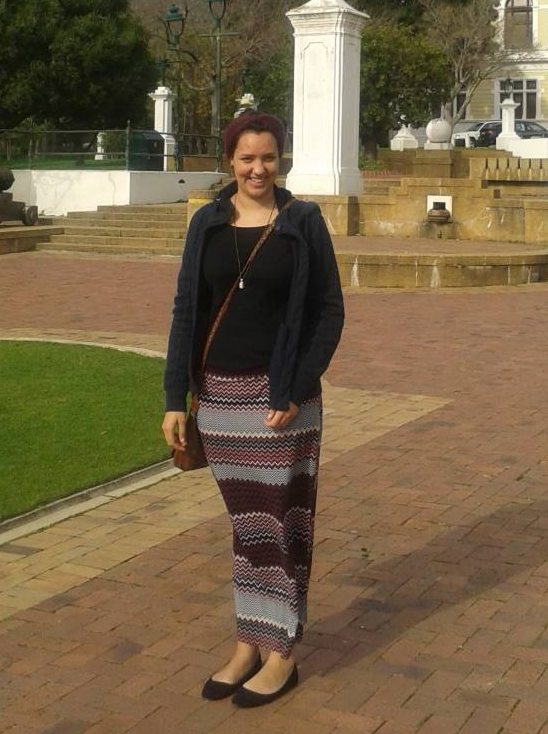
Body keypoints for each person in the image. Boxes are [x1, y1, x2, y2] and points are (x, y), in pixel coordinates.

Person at [162, 111, 344, 708]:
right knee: (248, 529)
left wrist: (295, 386)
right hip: (220, 401)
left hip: (281, 404)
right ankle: (248, 643)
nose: (258, 169)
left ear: (280, 159)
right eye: (246, 158)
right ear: (230, 161)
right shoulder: (207, 222)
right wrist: (175, 398)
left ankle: (281, 653)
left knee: (283, 525)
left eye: (268, 157)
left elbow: (329, 311)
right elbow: (186, 310)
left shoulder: (302, 221)